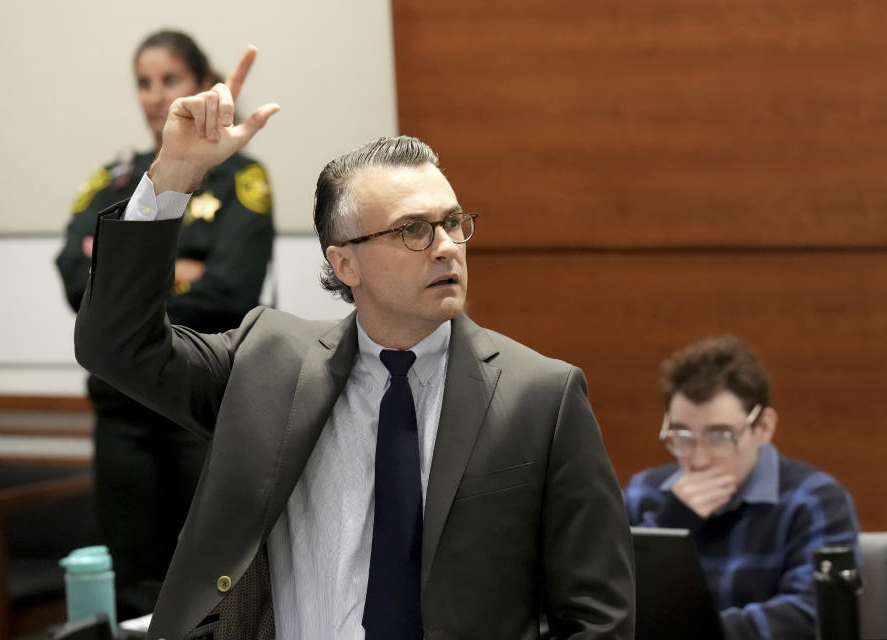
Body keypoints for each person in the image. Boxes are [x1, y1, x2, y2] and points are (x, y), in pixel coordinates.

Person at [73, 46, 635, 639]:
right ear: (345, 264)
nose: (446, 246)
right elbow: (116, 345)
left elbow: (598, 616)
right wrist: (175, 176)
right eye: (413, 230)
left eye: (454, 223)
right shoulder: (267, 364)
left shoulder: (540, 396)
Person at [55, 30, 274, 617]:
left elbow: (232, 288)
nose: (154, 96)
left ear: (202, 85)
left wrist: (130, 276)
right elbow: (75, 275)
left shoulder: (240, 175)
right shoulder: (115, 177)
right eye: (144, 83)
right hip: (121, 413)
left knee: (215, 583)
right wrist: (182, 271)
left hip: (200, 408)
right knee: (131, 583)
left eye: (169, 80)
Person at [624, 335, 859, 640]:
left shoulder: (815, 500)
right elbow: (608, 600)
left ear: (763, 427)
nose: (698, 460)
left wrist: (696, 631)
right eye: (682, 436)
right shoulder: (645, 494)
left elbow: (811, 616)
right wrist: (669, 525)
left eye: (719, 436)